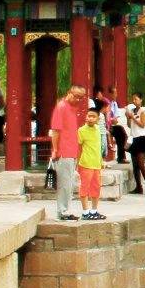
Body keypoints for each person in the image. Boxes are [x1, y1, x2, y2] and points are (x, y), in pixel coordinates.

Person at [47, 84, 86, 220]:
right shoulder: (61, 107)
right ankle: (62, 211)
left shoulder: (72, 108)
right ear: (69, 92)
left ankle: (66, 209)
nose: (78, 100)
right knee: (64, 183)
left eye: (80, 98)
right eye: (76, 96)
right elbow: (56, 130)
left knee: (69, 183)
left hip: (72, 150)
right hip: (64, 150)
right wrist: (56, 149)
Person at [76, 105, 107, 220]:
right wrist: (77, 163)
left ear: (98, 119)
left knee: (96, 187)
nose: (90, 118)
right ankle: (85, 212)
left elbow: (98, 147)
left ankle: (94, 211)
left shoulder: (98, 129)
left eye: (93, 117)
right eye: (89, 116)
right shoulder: (81, 130)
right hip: (85, 164)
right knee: (85, 187)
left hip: (96, 164)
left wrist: (101, 161)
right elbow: (78, 148)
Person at [125, 96, 145, 195]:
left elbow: (142, 124)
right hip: (134, 138)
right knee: (135, 164)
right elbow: (129, 125)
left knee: (141, 163)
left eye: (136, 99)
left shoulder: (143, 110)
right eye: (133, 99)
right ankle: (138, 187)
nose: (134, 101)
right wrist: (128, 117)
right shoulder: (132, 110)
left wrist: (133, 117)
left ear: (141, 100)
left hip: (142, 138)